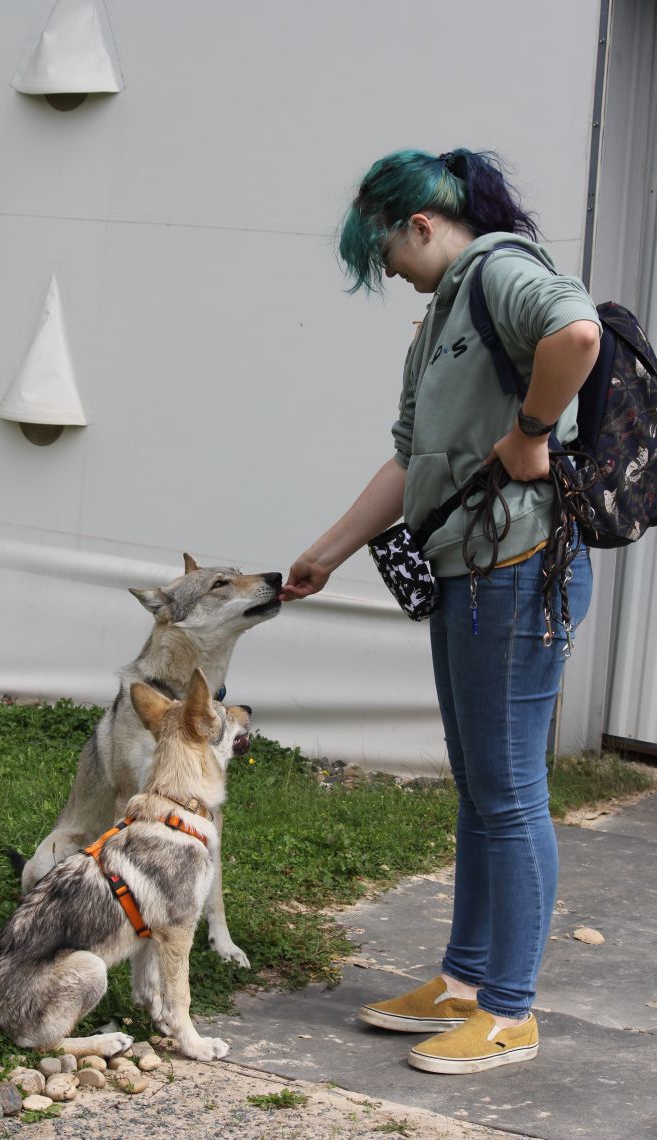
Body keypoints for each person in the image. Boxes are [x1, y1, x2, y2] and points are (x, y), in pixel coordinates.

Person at [280, 148, 600, 1074]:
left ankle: (510, 1013)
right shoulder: (441, 318)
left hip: (518, 563)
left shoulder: (501, 268)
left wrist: (532, 434)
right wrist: (326, 555)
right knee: (479, 788)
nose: (382, 270)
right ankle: (463, 983)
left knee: (509, 793)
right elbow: (408, 459)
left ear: (420, 223)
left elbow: (575, 338)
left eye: (381, 250)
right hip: (469, 570)